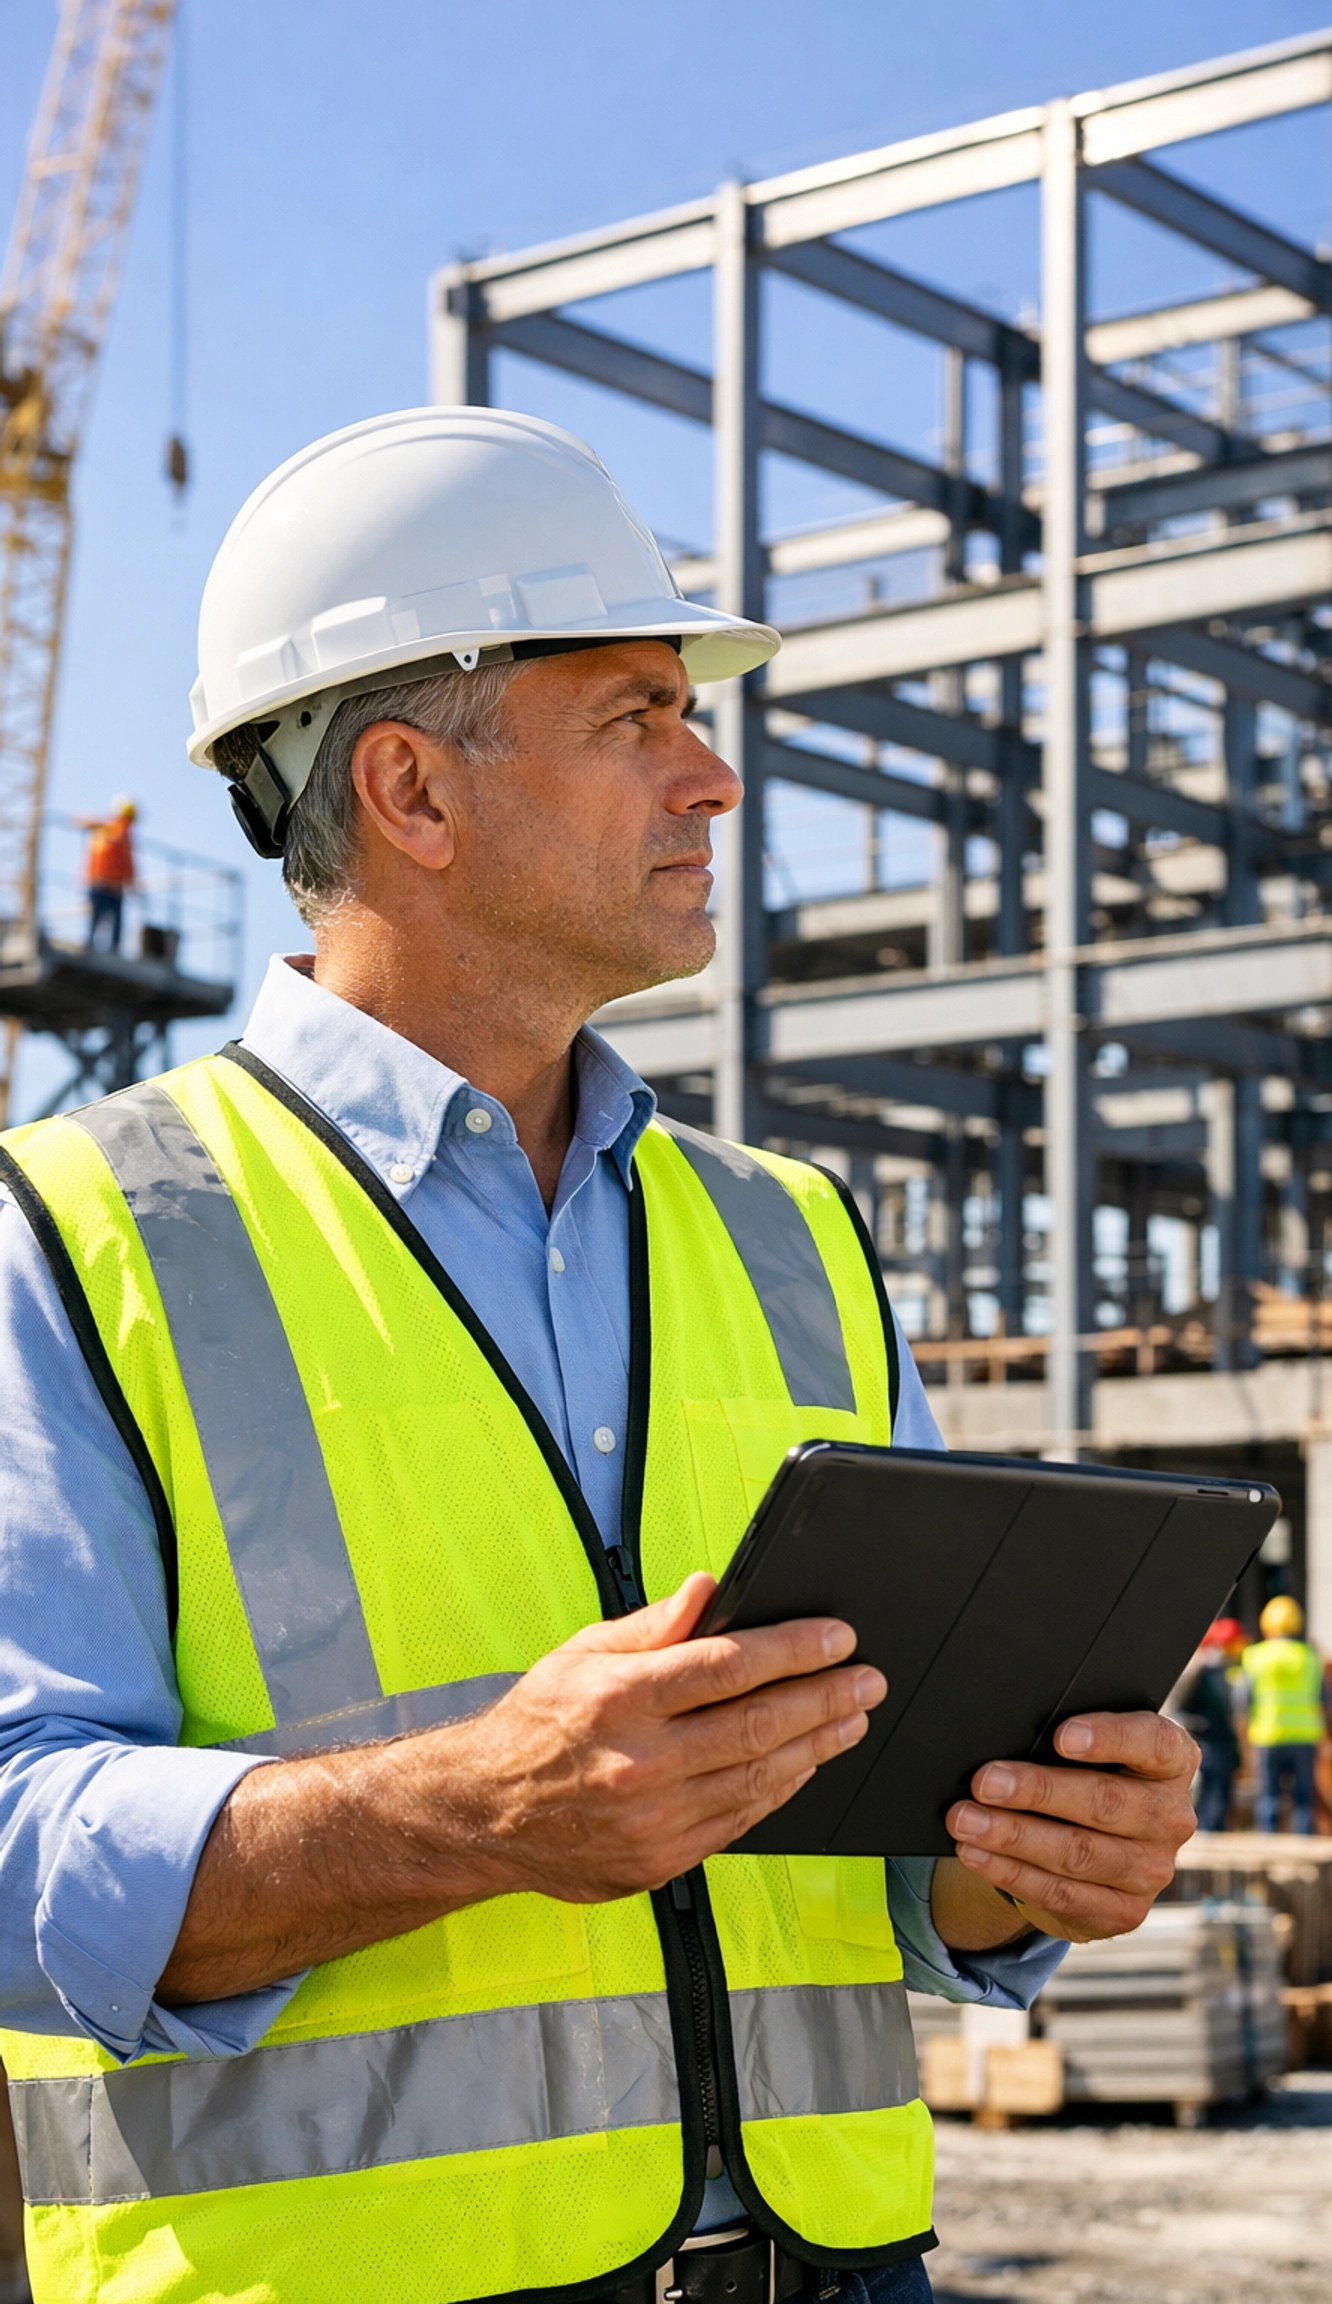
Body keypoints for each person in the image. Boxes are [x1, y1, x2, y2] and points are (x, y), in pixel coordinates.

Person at [0, 408, 1199, 2304]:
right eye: (637, 714)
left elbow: (892, 1861)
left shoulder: (789, 1234)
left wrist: (1038, 1849)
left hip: (837, 2265)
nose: (712, 776)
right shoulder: (71, 1230)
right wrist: (467, 1804)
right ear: (410, 788)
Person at [1241, 1594, 1326, 1835]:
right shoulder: (1310, 1657)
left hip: (1268, 1734)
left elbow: (1242, 1698)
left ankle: (1268, 1843)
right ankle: (1306, 1845)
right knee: (1303, 1801)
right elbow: (1324, 1697)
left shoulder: (1255, 1656)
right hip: (1305, 1734)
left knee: (1269, 1798)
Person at [1170, 1616, 1246, 1832]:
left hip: (1224, 1741)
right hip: (1207, 1740)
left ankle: (1216, 1830)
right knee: (1208, 1793)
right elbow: (1177, 1703)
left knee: (1222, 1793)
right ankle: (1206, 1831)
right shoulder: (1198, 1671)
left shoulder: (1229, 1672)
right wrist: (1187, 1724)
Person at [75, 794, 137, 950]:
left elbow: (128, 864)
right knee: (97, 917)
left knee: (113, 921)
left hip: (113, 886)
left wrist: (131, 883)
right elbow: (79, 820)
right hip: (100, 883)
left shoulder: (118, 834)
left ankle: (111, 948)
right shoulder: (107, 829)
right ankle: (94, 945)